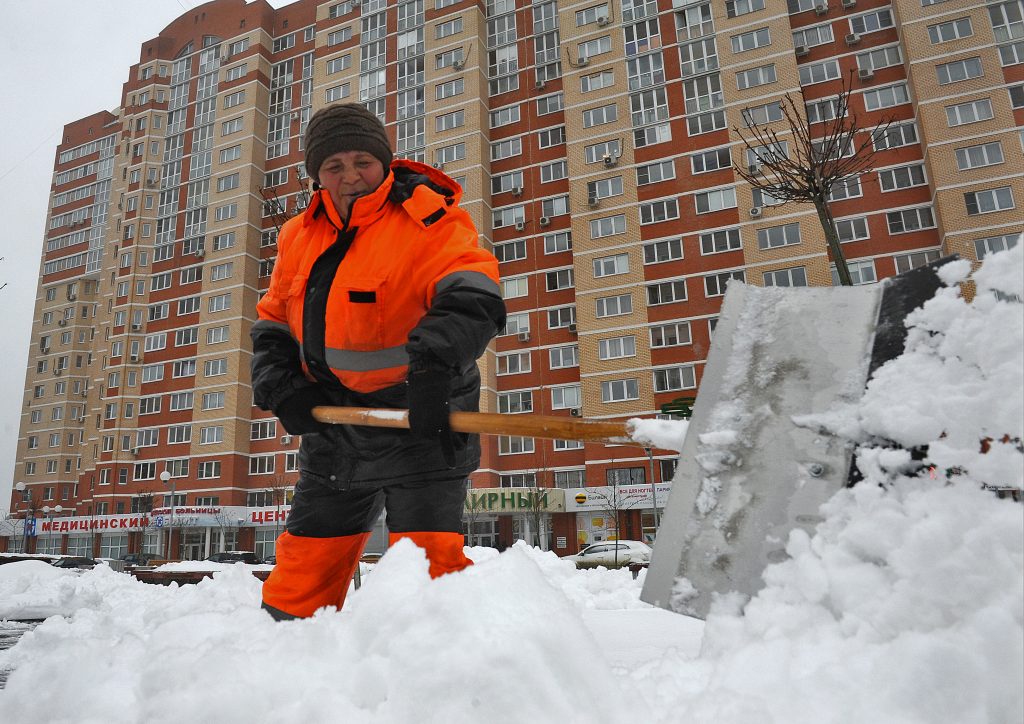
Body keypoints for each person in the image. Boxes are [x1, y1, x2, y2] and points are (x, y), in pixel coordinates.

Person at [251, 103, 506, 620]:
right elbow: (275, 319)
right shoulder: (297, 235)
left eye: (362, 161)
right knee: (300, 578)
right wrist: (282, 385)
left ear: (384, 162)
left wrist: (434, 368)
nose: (351, 177)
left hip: (423, 419)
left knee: (429, 577)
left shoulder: (429, 218)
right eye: (334, 166)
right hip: (337, 425)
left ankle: (437, 686)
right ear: (317, 175)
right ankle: (282, 674)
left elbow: (472, 293)